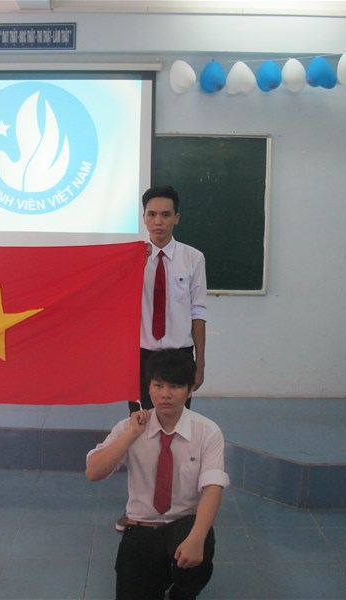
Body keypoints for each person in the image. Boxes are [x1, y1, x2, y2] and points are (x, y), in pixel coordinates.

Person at [87, 349, 229, 600]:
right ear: (148, 388)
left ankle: (181, 592)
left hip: (183, 523)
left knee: (200, 545)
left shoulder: (207, 432)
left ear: (190, 390)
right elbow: (94, 472)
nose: (165, 394)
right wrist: (131, 436)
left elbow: (213, 488)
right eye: (158, 385)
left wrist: (197, 538)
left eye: (175, 386)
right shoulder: (129, 427)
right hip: (141, 527)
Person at [118, 184, 208, 531]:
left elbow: (198, 312)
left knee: (177, 432)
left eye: (166, 215)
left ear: (177, 218)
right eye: (152, 215)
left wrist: (200, 362)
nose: (158, 222)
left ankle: (180, 508)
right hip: (140, 357)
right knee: (140, 431)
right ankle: (138, 508)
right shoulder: (130, 258)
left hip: (179, 356)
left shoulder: (193, 258)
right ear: (143, 218)